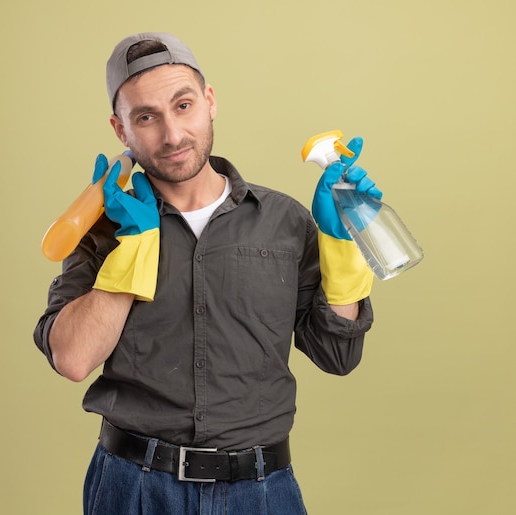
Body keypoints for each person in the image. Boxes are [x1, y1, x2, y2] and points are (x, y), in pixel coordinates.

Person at [34, 32, 381, 515]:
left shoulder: (283, 221)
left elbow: (337, 354)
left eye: (183, 105)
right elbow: (72, 358)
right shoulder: (103, 228)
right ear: (121, 130)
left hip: (259, 492)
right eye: (146, 117)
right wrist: (131, 248)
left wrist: (342, 247)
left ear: (209, 101)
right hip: (132, 489)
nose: (172, 135)